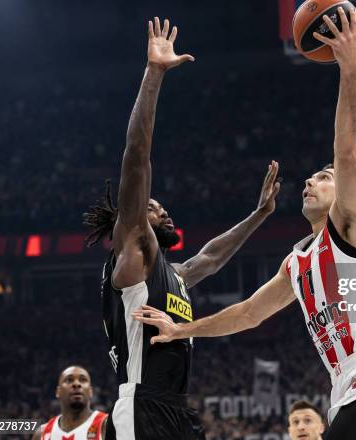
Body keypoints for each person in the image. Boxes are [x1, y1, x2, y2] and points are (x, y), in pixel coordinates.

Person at [131, 8, 356, 440]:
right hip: (343, 387)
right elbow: (248, 313)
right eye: (311, 177)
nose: (310, 180)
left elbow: (346, 153)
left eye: (322, 178)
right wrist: (181, 329)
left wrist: (348, 70)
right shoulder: (298, 262)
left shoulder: (351, 229)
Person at [82, 16, 281, 440]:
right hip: (140, 406)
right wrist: (154, 74)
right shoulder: (133, 249)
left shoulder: (171, 274)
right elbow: (137, 154)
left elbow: (210, 258)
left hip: (175, 410)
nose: (163, 211)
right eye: (154, 208)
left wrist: (259, 214)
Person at [32, 366, 107, 440]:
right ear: (58, 391)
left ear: (91, 391)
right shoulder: (42, 434)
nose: (76, 384)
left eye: (83, 380)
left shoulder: (106, 424)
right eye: (69, 380)